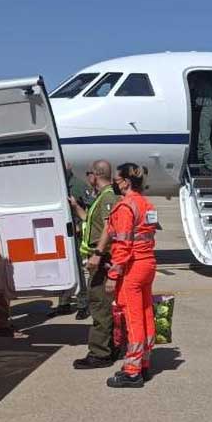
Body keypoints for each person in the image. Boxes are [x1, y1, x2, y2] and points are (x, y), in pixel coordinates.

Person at [103, 163, 158, 388]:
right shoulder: (145, 204)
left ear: (125, 181)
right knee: (145, 314)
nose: (116, 184)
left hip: (133, 268)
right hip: (148, 264)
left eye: (117, 180)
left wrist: (113, 275)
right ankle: (144, 363)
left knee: (133, 318)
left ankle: (132, 371)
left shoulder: (126, 207)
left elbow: (123, 245)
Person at [73, 160, 121, 369]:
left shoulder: (108, 197)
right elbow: (94, 224)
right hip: (99, 257)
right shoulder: (101, 197)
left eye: (88, 173)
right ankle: (108, 348)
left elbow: (109, 228)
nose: (87, 177)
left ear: (96, 174)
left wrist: (98, 254)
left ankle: (100, 353)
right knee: (100, 303)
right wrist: (76, 208)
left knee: (100, 305)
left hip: (102, 259)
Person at [49, 163, 93, 318]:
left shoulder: (79, 186)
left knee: (77, 269)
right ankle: (64, 302)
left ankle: (83, 304)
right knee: (62, 267)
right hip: (59, 232)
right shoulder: (56, 184)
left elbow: (92, 207)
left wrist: (81, 224)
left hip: (75, 233)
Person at [191, 74, 212, 176]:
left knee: (204, 139)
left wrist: (193, 100)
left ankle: (211, 167)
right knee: (201, 139)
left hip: (207, 111)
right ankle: (201, 165)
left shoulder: (201, 85)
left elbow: (199, 101)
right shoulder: (207, 85)